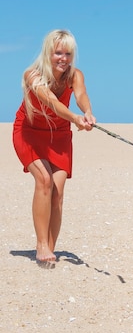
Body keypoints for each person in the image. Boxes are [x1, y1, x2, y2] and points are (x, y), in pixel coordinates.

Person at [13, 29, 96, 268]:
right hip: (28, 132)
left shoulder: (74, 75)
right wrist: (75, 119)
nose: (63, 58)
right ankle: (41, 245)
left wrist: (87, 113)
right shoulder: (33, 74)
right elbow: (50, 100)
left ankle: (50, 245)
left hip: (58, 135)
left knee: (57, 193)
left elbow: (81, 95)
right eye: (58, 53)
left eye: (68, 53)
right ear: (48, 52)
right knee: (44, 181)